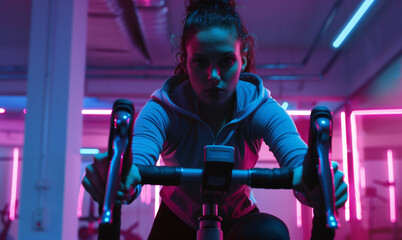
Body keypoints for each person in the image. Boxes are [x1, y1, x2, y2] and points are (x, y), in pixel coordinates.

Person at [82, 0, 348, 239]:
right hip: (177, 216)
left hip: (240, 217)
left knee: (270, 234)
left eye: (225, 61)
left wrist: (318, 178)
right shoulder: (163, 109)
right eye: (200, 62)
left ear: (242, 59)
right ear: (185, 61)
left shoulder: (260, 107)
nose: (213, 75)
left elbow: (296, 153)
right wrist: (117, 177)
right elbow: (137, 159)